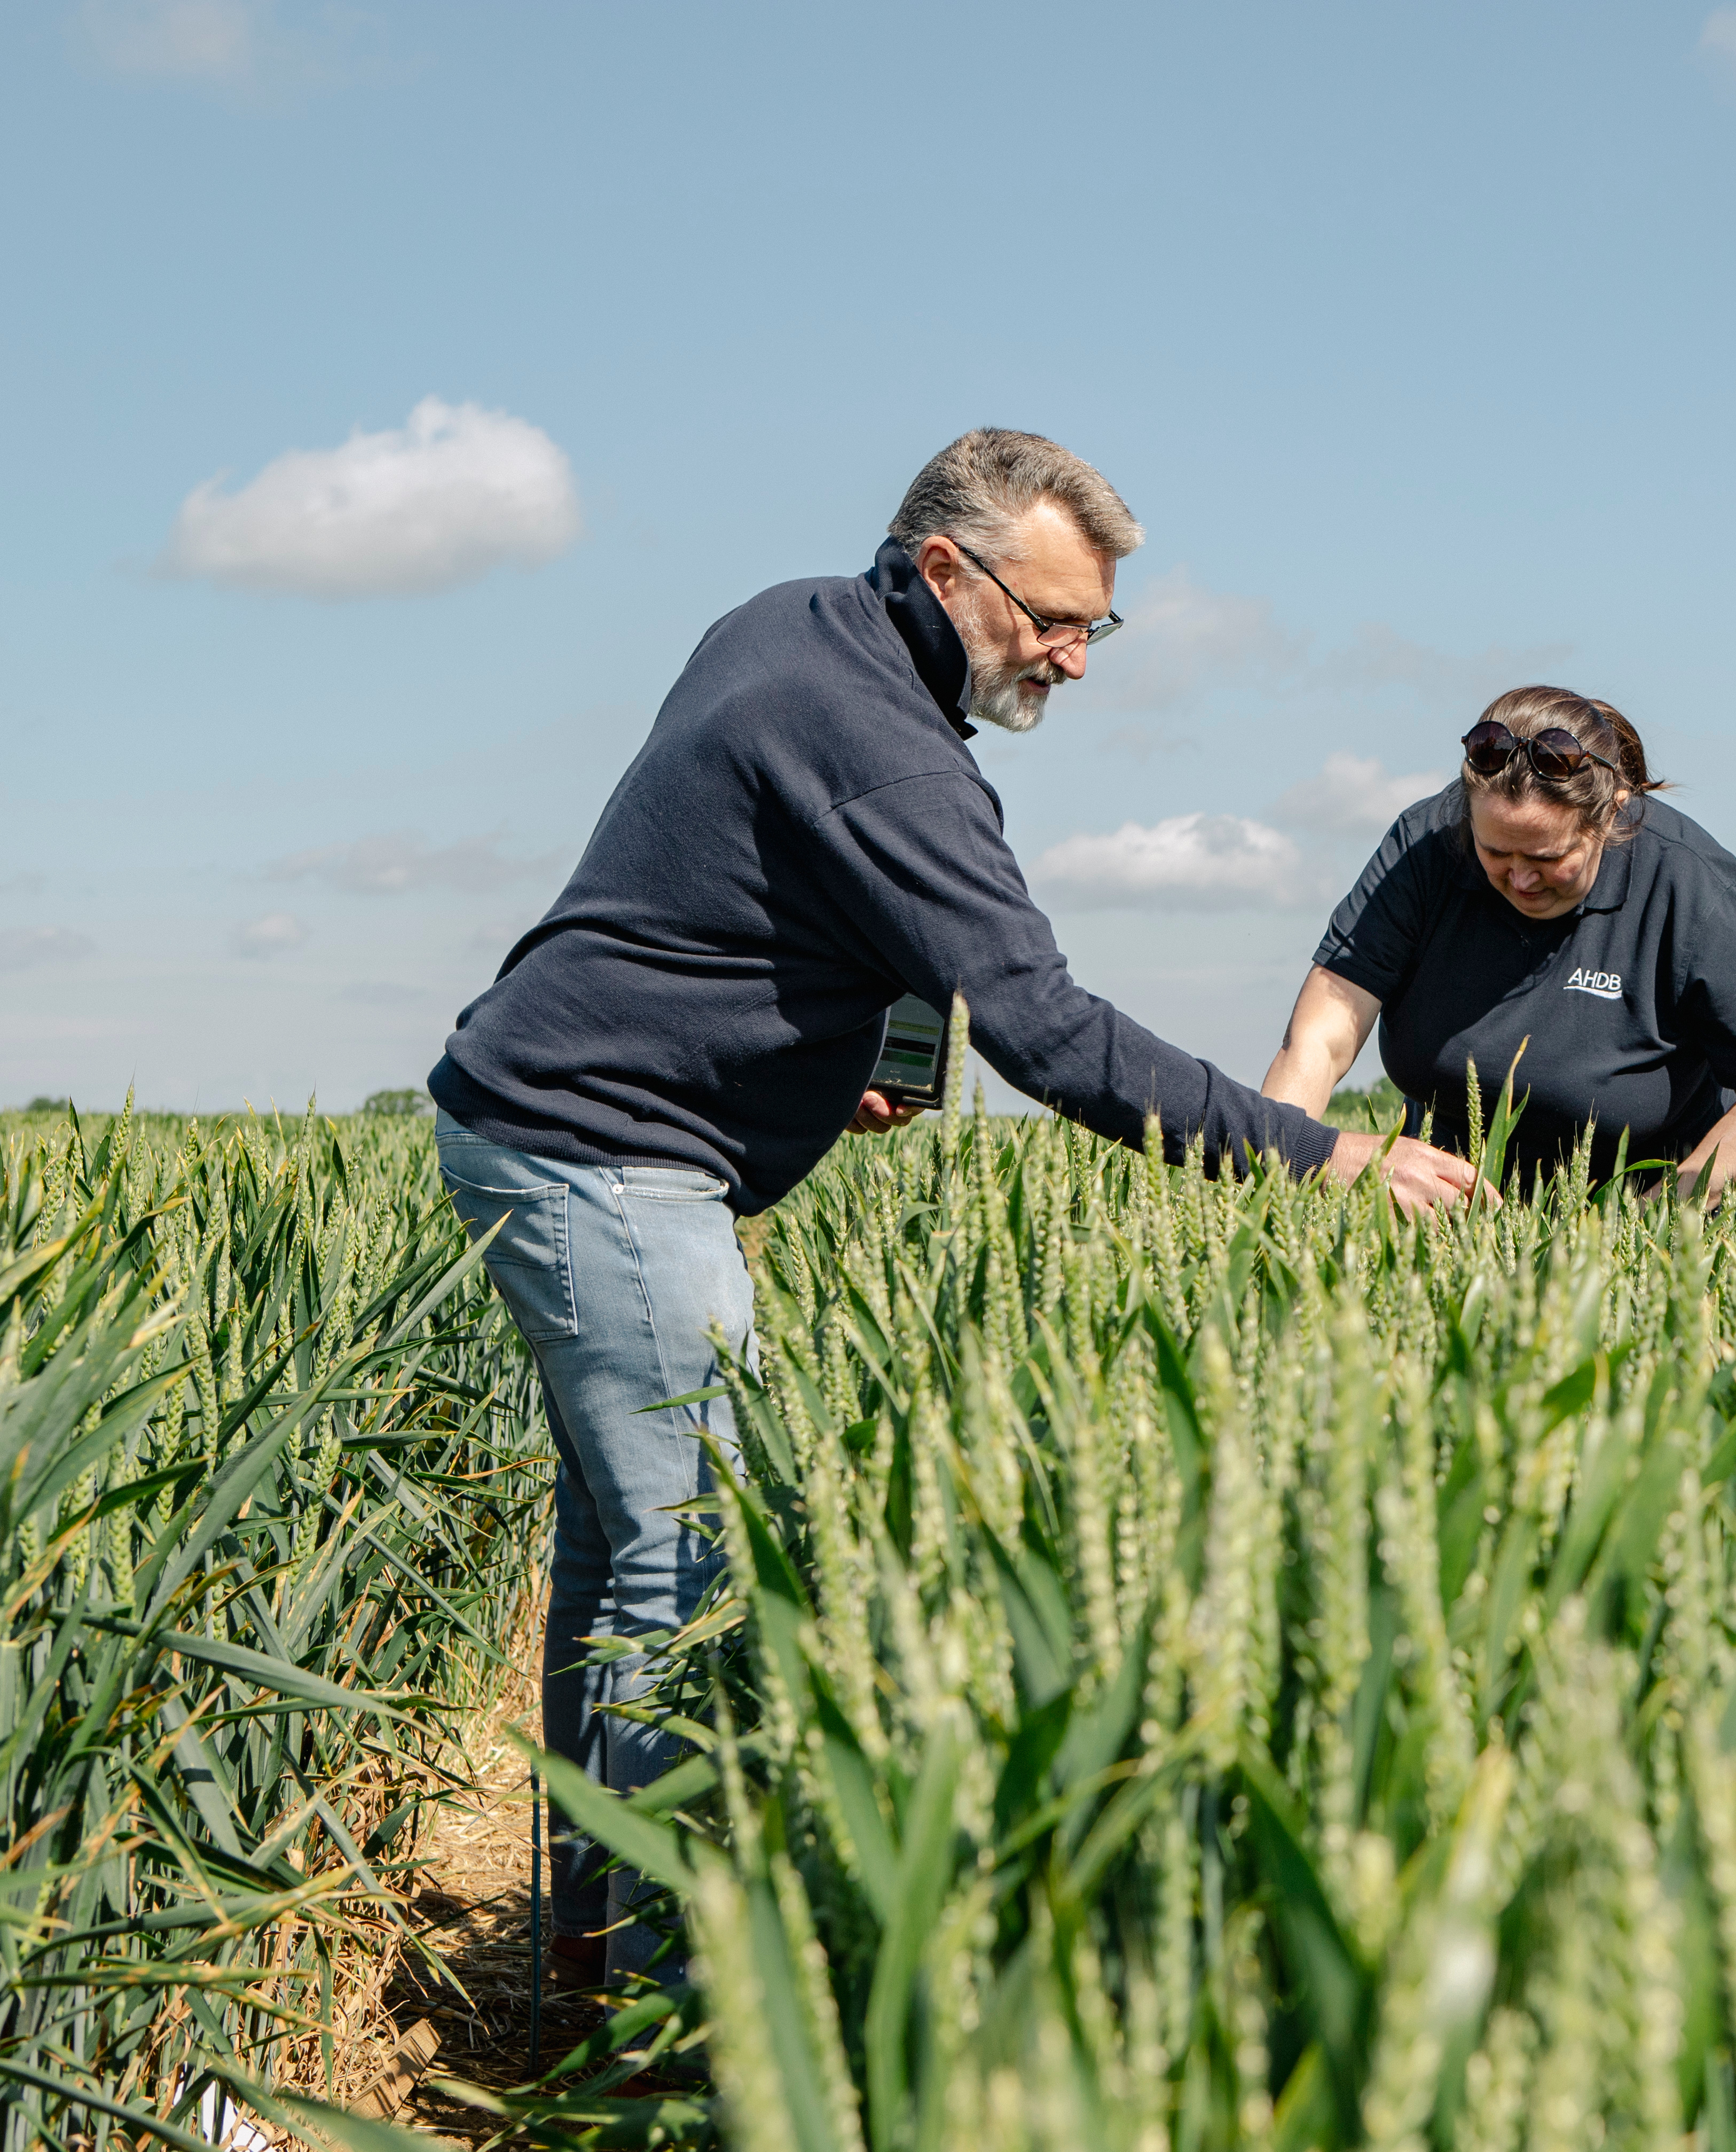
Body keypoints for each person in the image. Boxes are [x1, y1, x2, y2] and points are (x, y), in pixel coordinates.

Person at [426, 428, 1475, 1988]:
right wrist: (1324, 1156)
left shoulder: (790, 623)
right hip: (609, 1155)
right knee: (695, 1560)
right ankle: (665, 1995)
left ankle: (586, 1948)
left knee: (617, 1546)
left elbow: (733, 894)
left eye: (1092, 626)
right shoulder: (886, 747)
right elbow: (1047, 1031)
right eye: (1052, 618)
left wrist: (832, 1047)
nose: (1072, 655)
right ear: (945, 567)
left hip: (538, 1118)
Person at [1262, 687, 1736, 1199]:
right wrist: (1277, 1178)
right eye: (1495, 854)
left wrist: (1660, 1224)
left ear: (1610, 815)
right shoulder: (1424, 847)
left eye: (1548, 858)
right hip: (1444, 1196)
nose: (1521, 879)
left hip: (1637, 1196)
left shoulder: (1688, 880)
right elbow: (1321, 1036)